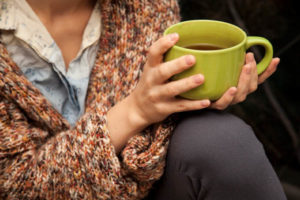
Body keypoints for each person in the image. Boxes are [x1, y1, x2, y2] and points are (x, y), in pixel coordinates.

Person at [0, 0, 287, 199]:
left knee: (221, 139)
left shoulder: (147, 6)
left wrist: (198, 94)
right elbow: (14, 187)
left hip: (148, 184)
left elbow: (156, 140)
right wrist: (136, 111)